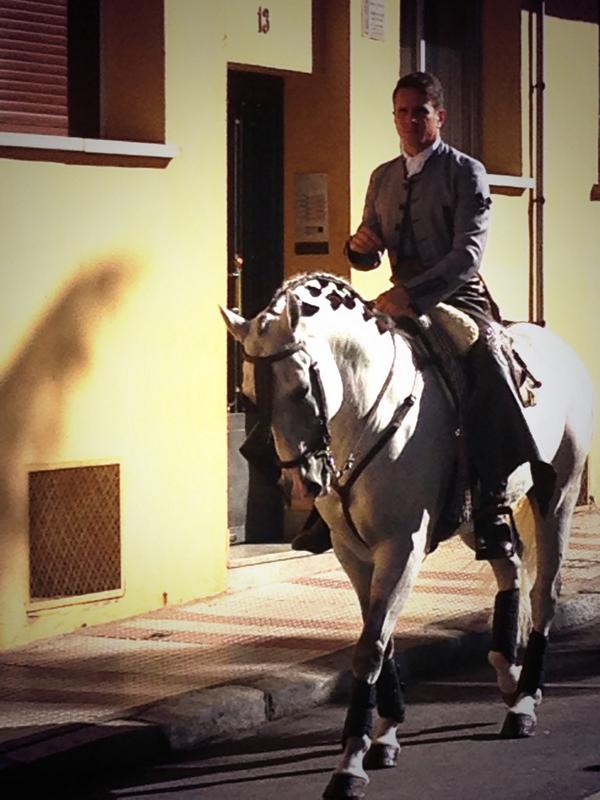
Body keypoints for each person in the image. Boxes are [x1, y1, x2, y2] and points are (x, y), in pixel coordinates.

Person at [293, 71, 552, 560]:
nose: (410, 121)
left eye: (420, 112)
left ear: (440, 116)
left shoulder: (466, 172)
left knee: (488, 366)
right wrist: (357, 248)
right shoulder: (383, 177)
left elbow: (466, 257)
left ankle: (493, 498)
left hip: (457, 297)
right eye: (402, 112)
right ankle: (325, 502)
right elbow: (367, 248)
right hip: (398, 298)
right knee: (339, 368)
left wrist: (410, 293)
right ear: (393, 117)